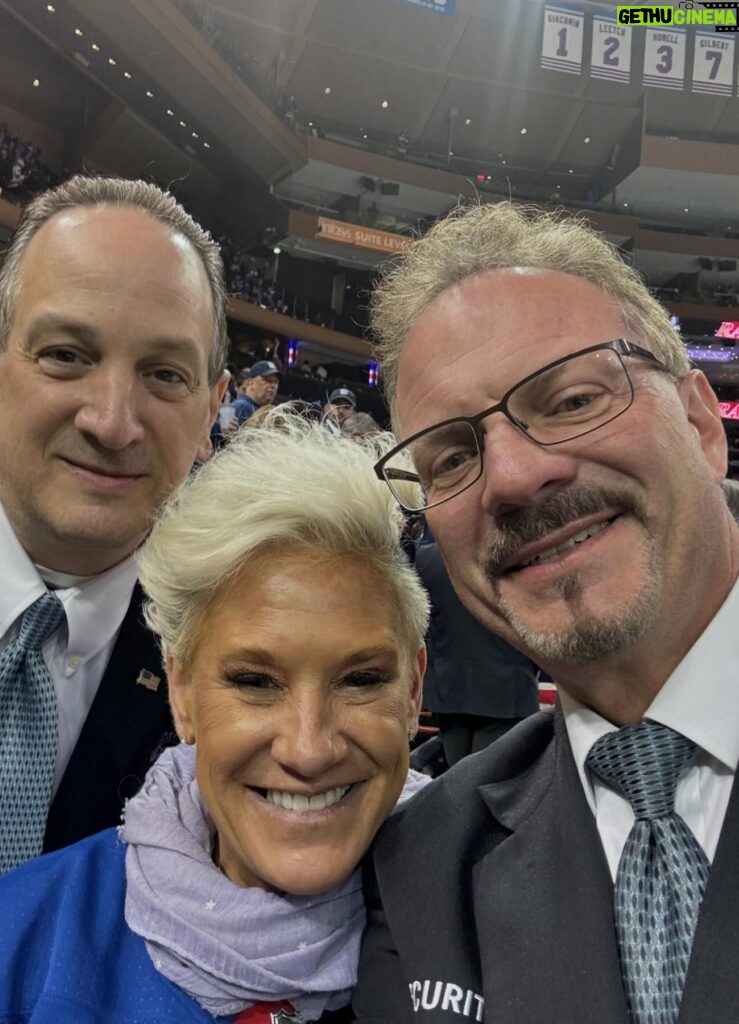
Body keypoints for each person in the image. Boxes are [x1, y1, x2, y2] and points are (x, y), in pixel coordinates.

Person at [353, 201, 739, 1022]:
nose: (515, 477)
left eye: (568, 400)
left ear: (703, 424)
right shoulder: (420, 868)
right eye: (453, 455)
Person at [0, 411, 431, 1023]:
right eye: (254, 682)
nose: (308, 747)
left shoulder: (498, 923)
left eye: (361, 680)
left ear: (414, 691)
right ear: (182, 692)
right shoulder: (12, 946)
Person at [0, 174, 229, 962]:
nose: (112, 421)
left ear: (210, 413)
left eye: (165, 375)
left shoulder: (237, 628)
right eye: (66, 355)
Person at [414, 539, 538, 767]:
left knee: (459, 783)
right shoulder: (515, 551)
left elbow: (424, 627)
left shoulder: (427, 557)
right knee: (498, 786)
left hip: (449, 690)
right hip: (507, 690)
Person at [233, 359, 280, 424]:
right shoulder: (240, 407)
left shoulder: (273, 410)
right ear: (251, 383)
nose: (273, 386)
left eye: (276, 382)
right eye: (268, 380)